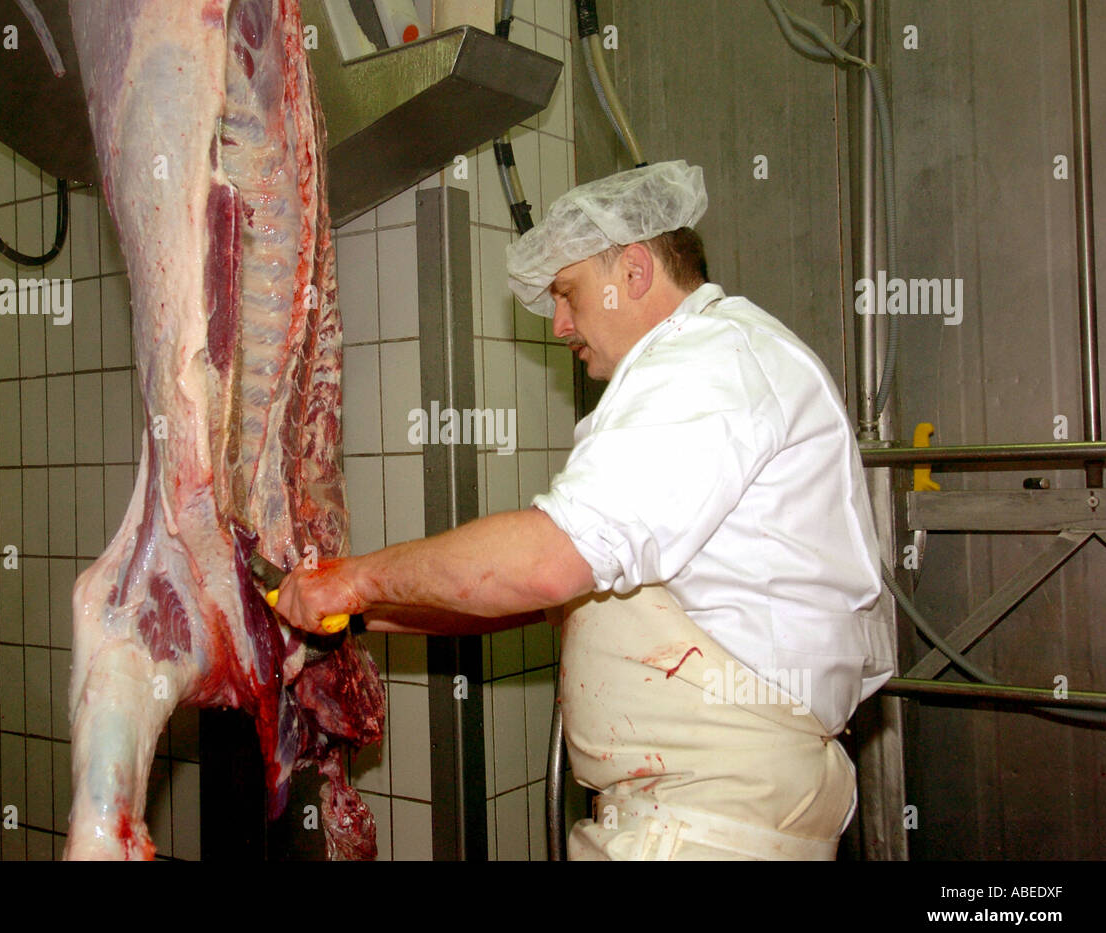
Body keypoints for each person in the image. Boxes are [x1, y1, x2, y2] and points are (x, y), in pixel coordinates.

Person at [274, 160, 894, 860]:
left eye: (567, 294)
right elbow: (543, 595)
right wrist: (361, 612)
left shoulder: (709, 365)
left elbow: (547, 565)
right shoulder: (695, 369)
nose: (560, 323)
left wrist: (354, 579)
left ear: (634, 270)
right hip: (686, 812)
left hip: (710, 818)